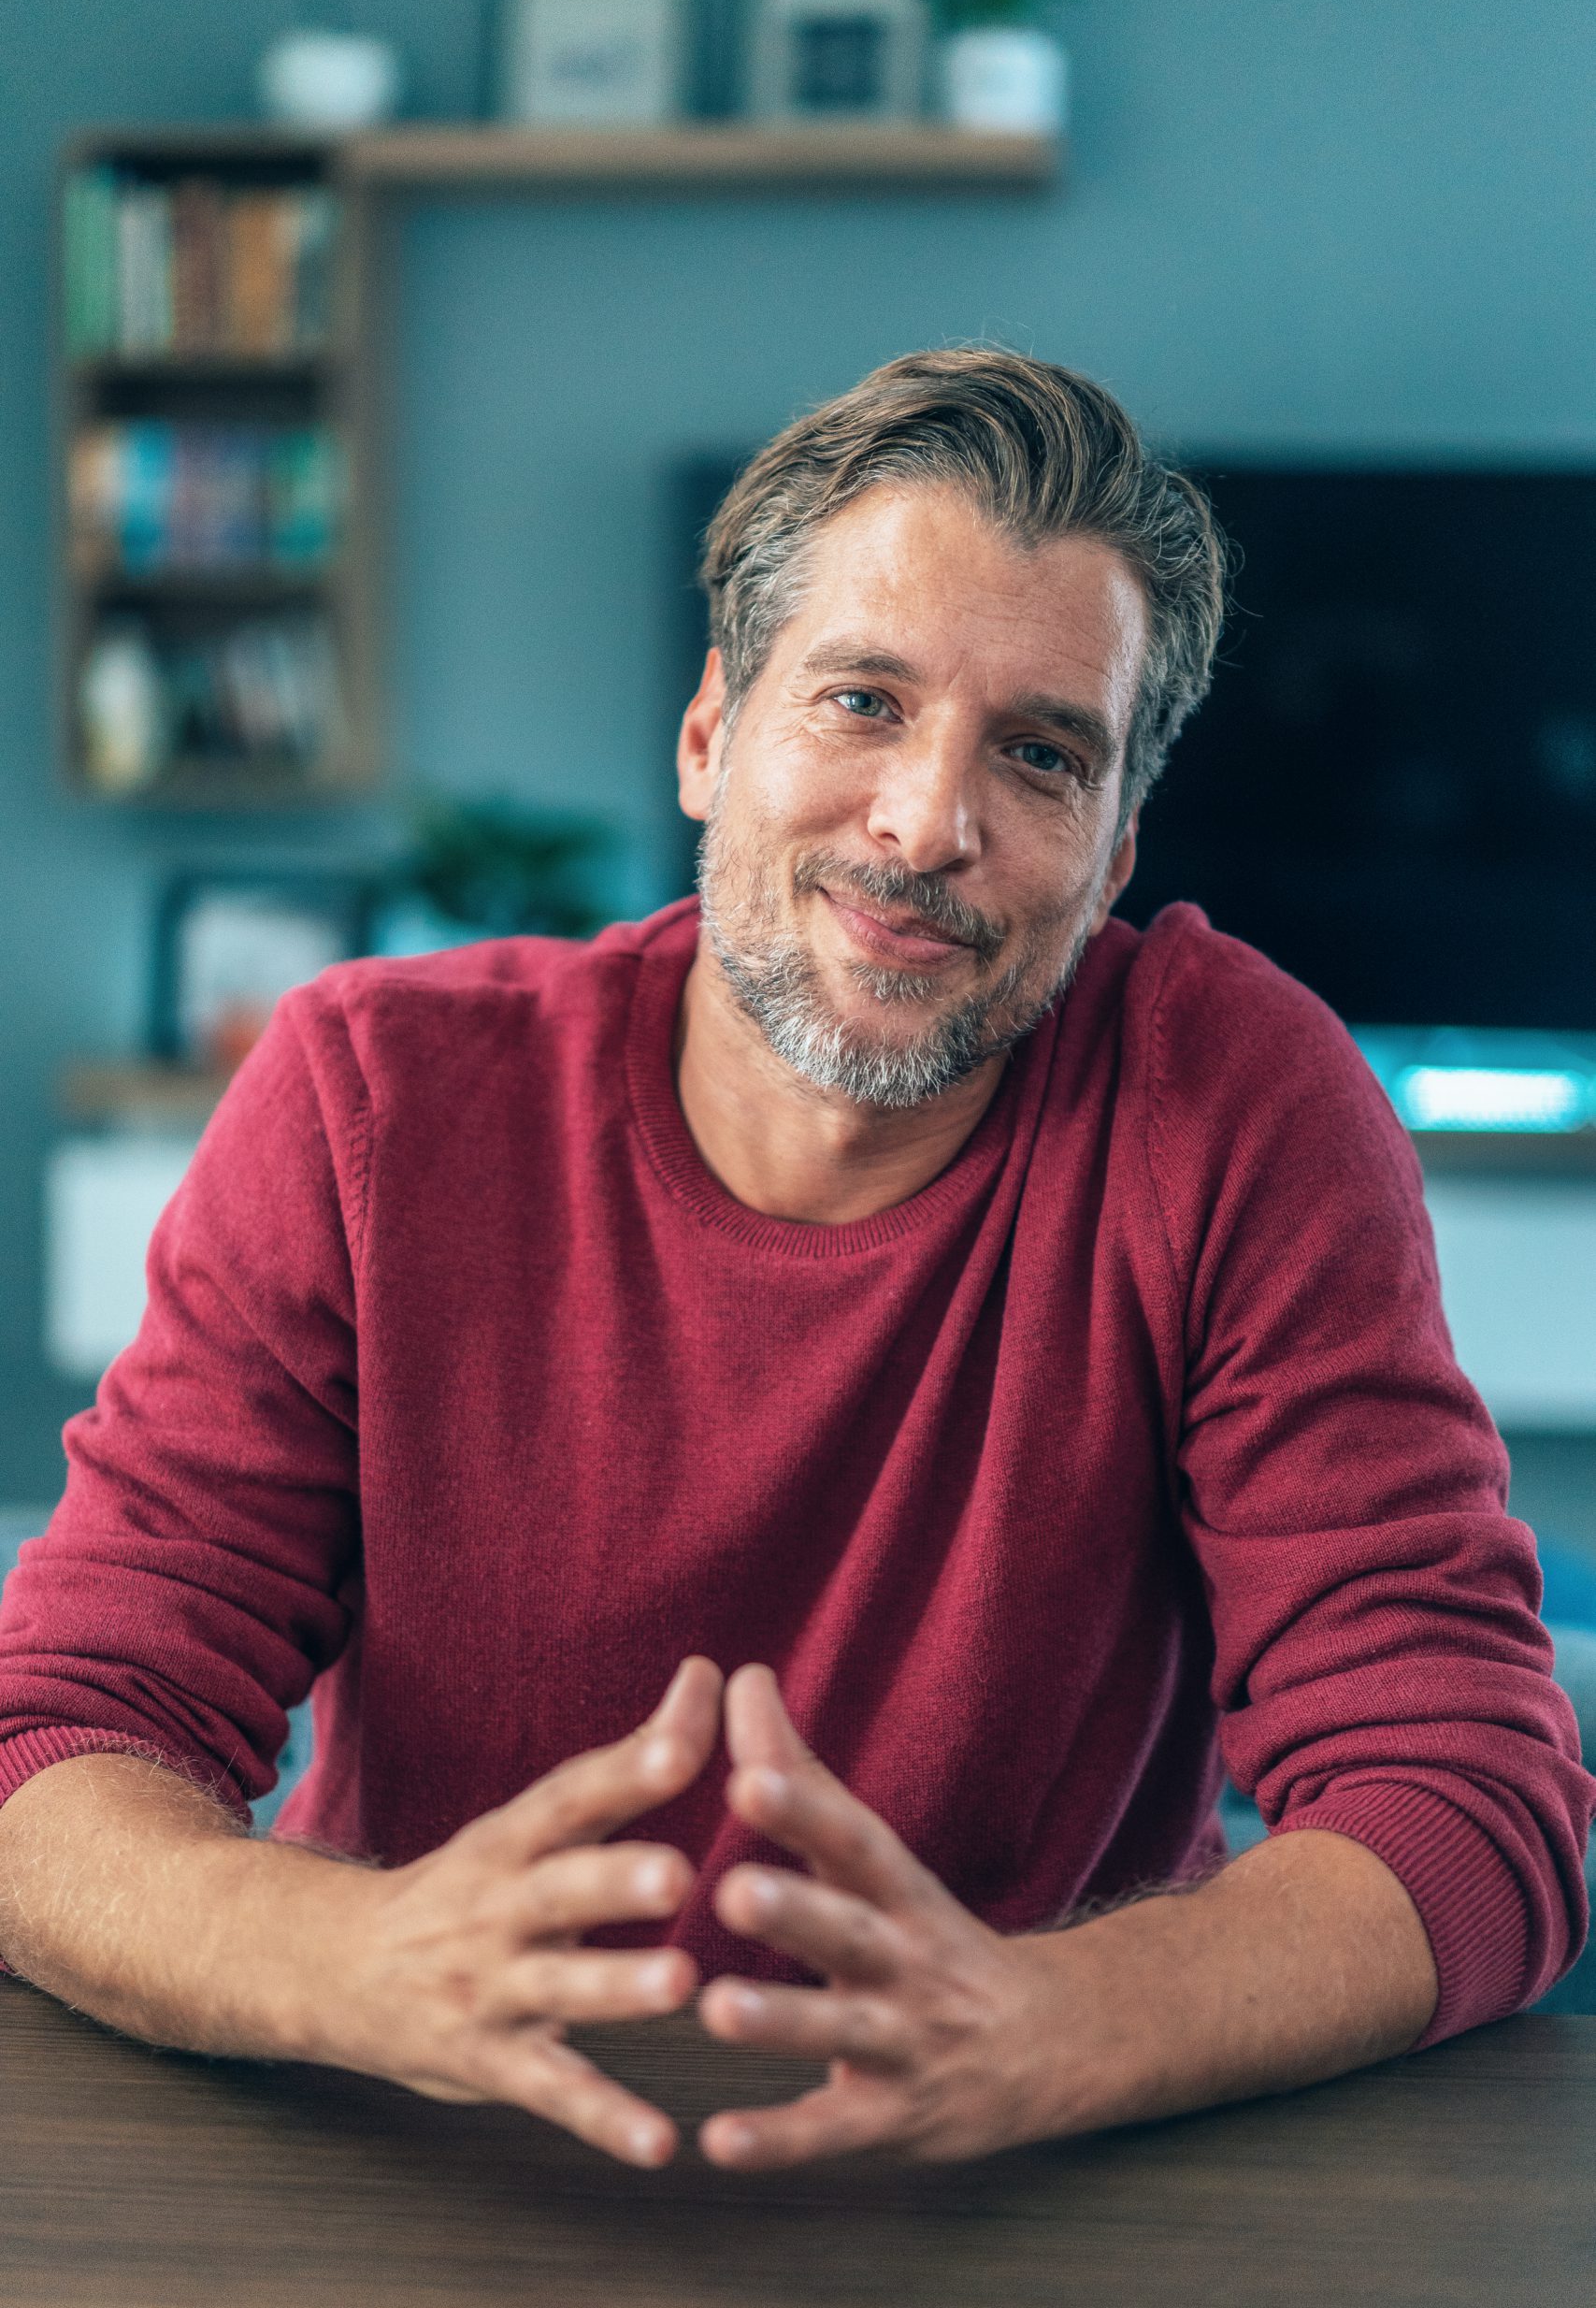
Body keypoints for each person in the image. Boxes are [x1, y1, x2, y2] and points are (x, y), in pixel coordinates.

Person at [1, 349, 1591, 2176]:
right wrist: (365, 1963)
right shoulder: (370, 1097)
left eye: (1037, 750)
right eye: (860, 698)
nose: (924, 824)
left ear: (1114, 843)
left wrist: (1040, 2027)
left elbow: (1468, 1798)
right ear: (706, 734)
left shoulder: (1236, 1106)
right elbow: (61, 1734)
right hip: (431, 2146)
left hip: (1035, 2176)